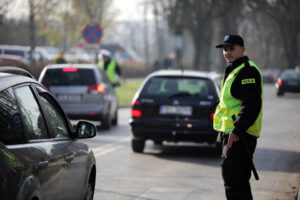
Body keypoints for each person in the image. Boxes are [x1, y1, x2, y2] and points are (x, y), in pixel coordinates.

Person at [213, 34, 263, 200]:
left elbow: (251, 106)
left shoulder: (247, 71)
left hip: (239, 136)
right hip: (232, 134)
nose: (227, 52)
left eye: (232, 49)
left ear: (243, 49)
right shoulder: (234, 69)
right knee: (235, 182)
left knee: (236, 182)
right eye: (225, 49)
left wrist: (237, 129)